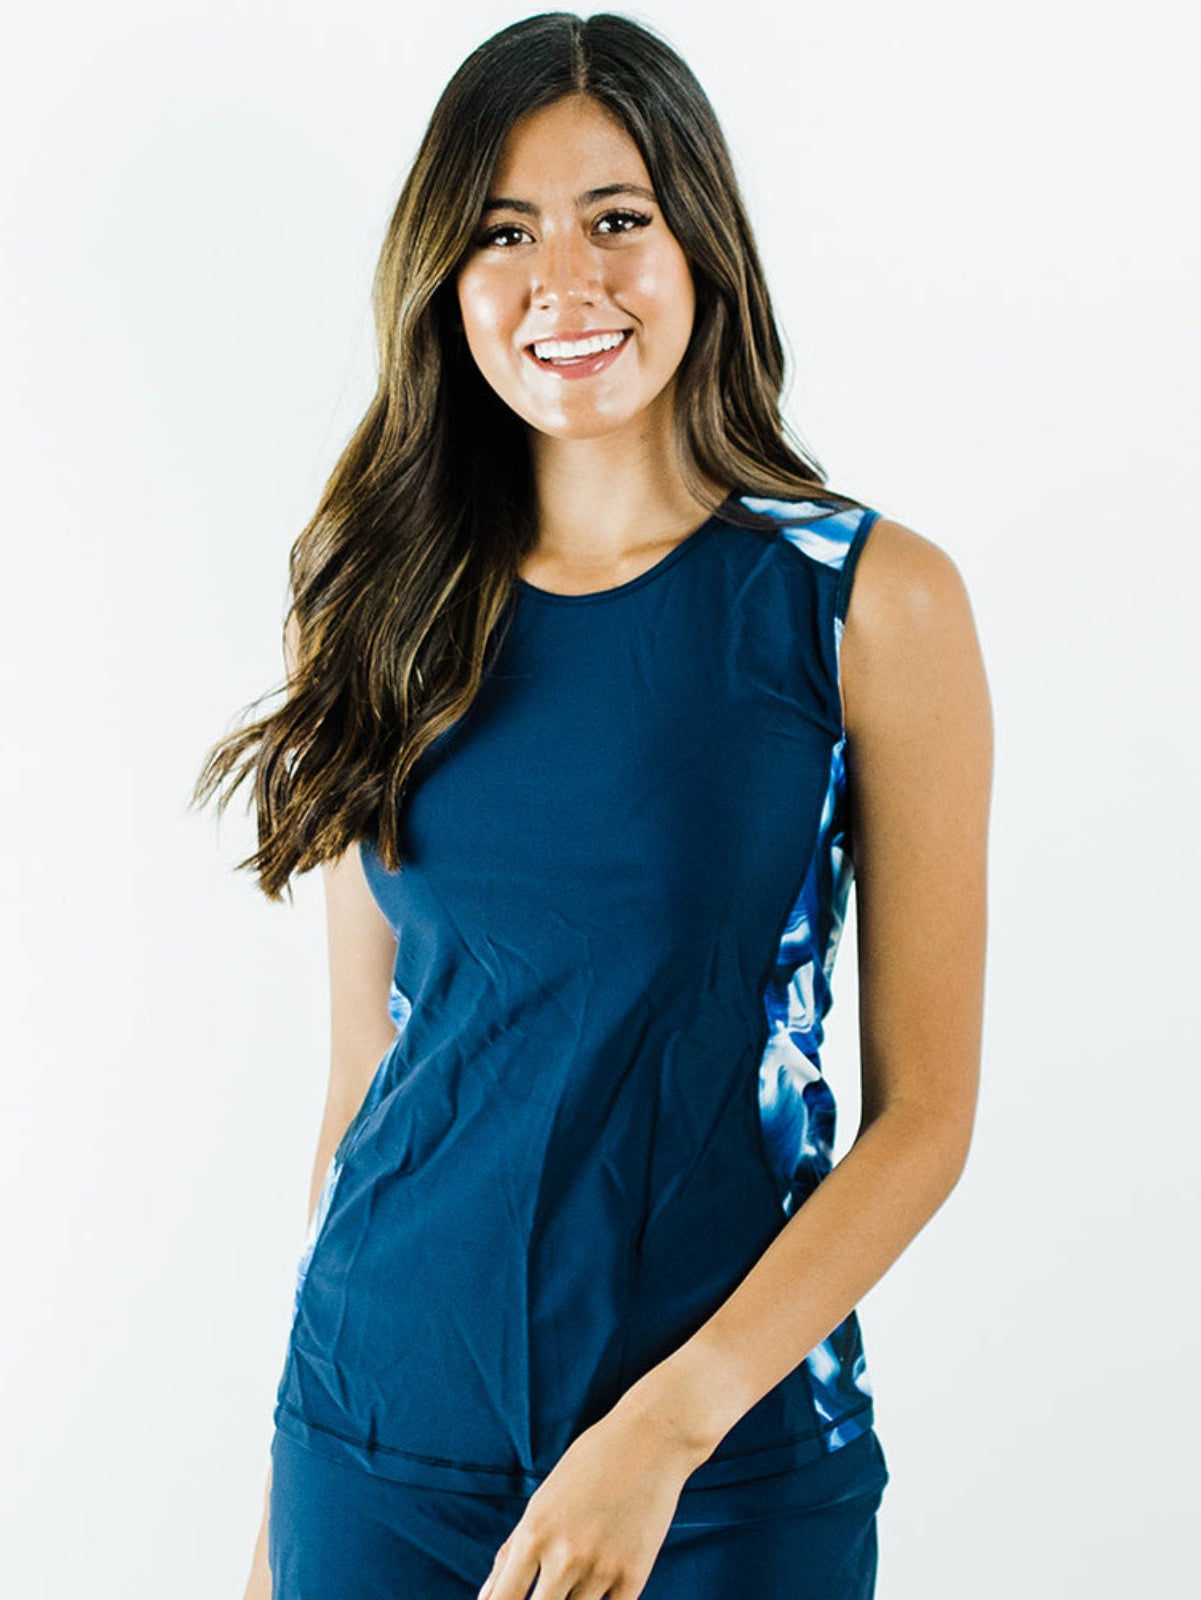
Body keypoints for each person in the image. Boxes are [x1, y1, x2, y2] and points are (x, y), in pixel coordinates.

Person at [192, 12, 991, 1599]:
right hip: (374, 1439)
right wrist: (295, 1477)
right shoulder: (370, 606)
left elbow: (923, 1119)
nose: (564, 282)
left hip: (720, 1473)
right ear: (445, 277)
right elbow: (370, 1069)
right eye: (503, 233)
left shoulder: (863, 602)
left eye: (615, 218)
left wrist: (666, 1430)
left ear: (699, 243)